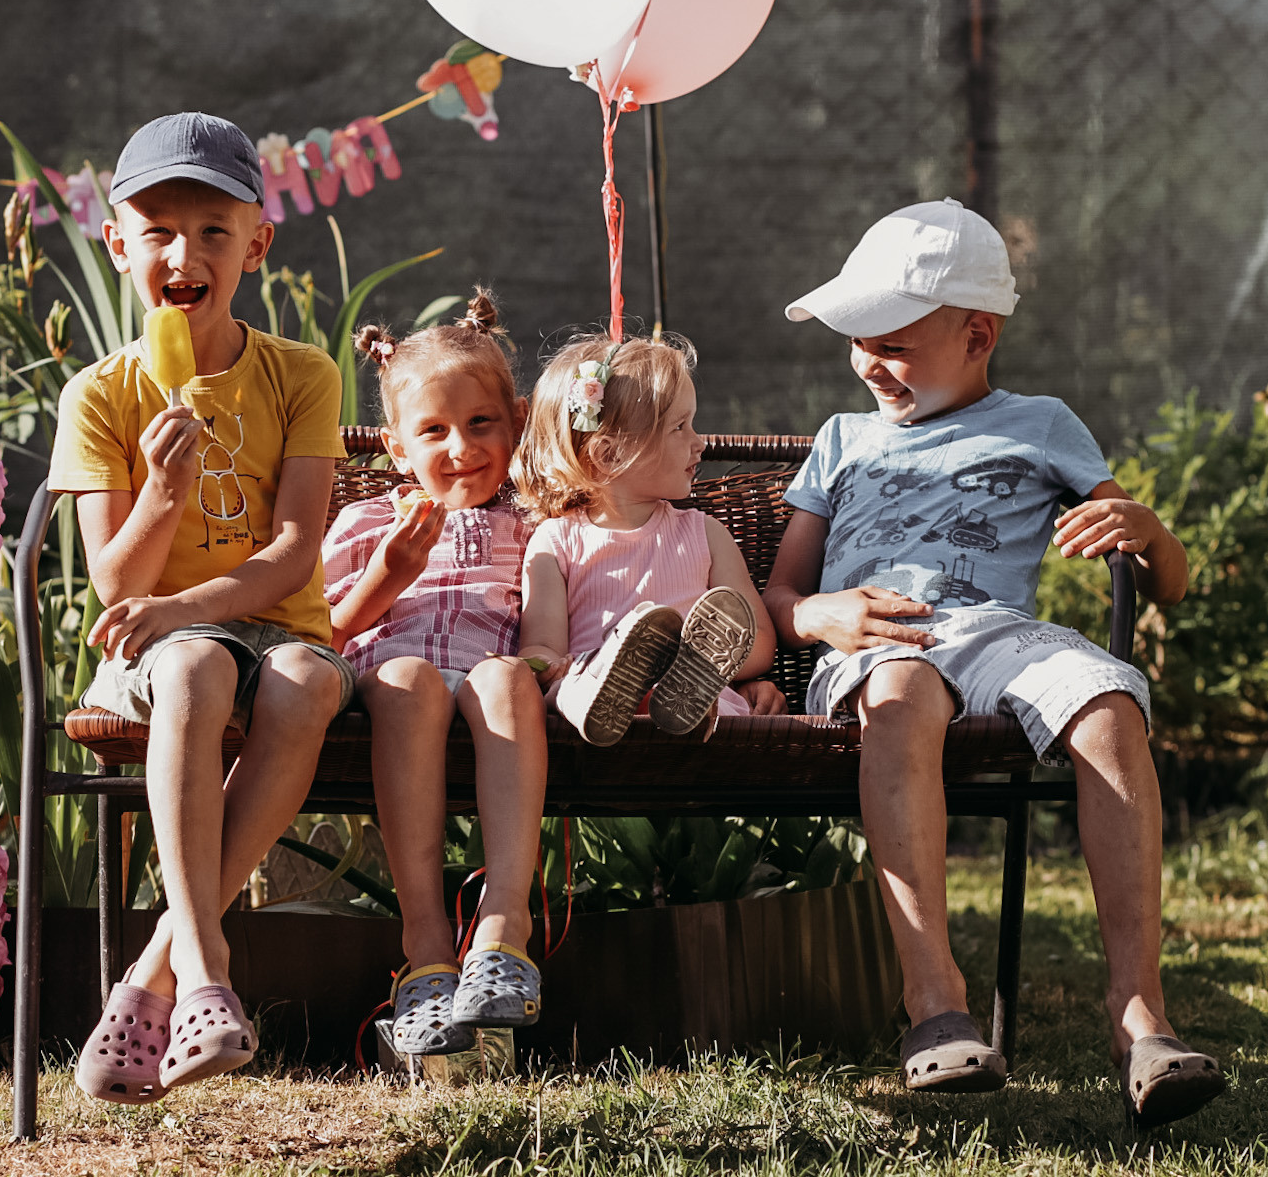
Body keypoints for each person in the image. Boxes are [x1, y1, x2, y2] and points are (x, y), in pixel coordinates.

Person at [760, 198, 1226, 1127]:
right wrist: (822, 612)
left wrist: (1147, 530)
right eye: (857, 342)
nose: (867, 362)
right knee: (898, 692)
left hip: (999, 632)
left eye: (891, 343)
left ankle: (1140, 1017)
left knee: (1108, 698)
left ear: (978, 333)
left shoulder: (1045, 423)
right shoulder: (841, 440)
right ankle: (933, 1002)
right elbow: (781, 596)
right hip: (881, 638)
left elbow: (1165, 581)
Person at [53, 112, 354, 1104]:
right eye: (159, 232)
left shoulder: (301, 375)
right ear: (118, 245)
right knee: (194, 663)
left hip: (276, 626)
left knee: (306, 678)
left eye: (213, 232)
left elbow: (295, 550)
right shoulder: (101, 394)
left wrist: (190, 599)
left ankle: (152, 975)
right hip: (158, 645)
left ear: (255, 246)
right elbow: (115, 587)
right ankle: (210, 972)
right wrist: (162, 498)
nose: (186, 255)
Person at [322, 292, 548, 1059]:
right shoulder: (366, 524)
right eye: (433, 430)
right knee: (411, 678)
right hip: (392, 688)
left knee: (507, 677)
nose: (461, 446)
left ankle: (502, 928)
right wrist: (388, 573)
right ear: (395, 447)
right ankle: (425, 945)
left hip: (492, 688)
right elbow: (319, 629)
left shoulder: (537, 521)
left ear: (516, 421)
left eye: (481, 422)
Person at [513, 334, 782, 747]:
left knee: (690, 696)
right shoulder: (557, 540)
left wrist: (720, 670)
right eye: (679, 427)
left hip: (694, 705)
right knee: (574, 691)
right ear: (609, 455)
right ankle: (620, 680)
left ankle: (678, 683)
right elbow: (542, 646)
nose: (700, 442)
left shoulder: (705, 534)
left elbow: (759, 640)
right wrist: (556, 667)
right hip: (593, 710)